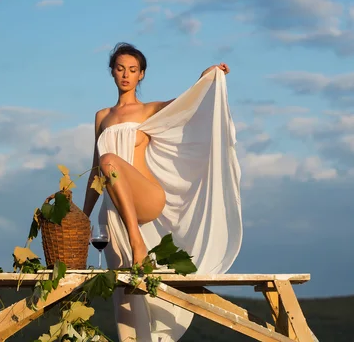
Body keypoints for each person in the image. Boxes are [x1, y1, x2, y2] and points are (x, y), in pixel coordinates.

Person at [82, 42, 243, 342]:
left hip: (147, 198)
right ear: (112, 73)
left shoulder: (149, 110)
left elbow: (188, 102)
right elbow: (95, 172)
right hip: (113, 212)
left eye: (132, 70)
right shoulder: (101, 116)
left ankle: (137, 242)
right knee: (126, 295)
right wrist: (82, 219)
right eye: (120, 69)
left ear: (141, 74)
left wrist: (206, 76)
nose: (125, 75)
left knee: (109, 160)